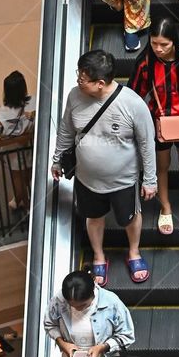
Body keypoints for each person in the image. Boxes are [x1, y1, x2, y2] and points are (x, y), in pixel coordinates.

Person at [52, 49, 157, 285]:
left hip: (124, 181)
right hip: (87, 179)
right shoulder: (74, 96)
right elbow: (66, 130)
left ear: (100, 83)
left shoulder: (132, 103)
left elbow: (146, 143)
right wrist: (57, 159)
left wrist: (150, 180)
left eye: (82, 78)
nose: (78, 81)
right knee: (93, 217)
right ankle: (99, 256)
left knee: (130, 218)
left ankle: (133, 252)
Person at [128, 15, 179, 237]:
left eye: (164, 44)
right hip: (158, 123)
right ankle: (165, 207)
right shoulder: (145, 62)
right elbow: (134, 95)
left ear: (174, 41)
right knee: (160, 167)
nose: (158, 49)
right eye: (154, 43)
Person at [0, 70, 35, 211]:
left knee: (17, 178)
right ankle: (27, 199)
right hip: (29, 146)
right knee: (28, 175)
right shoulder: (33, 104)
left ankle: (24, 204)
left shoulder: (0, 113)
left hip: (12, 151)